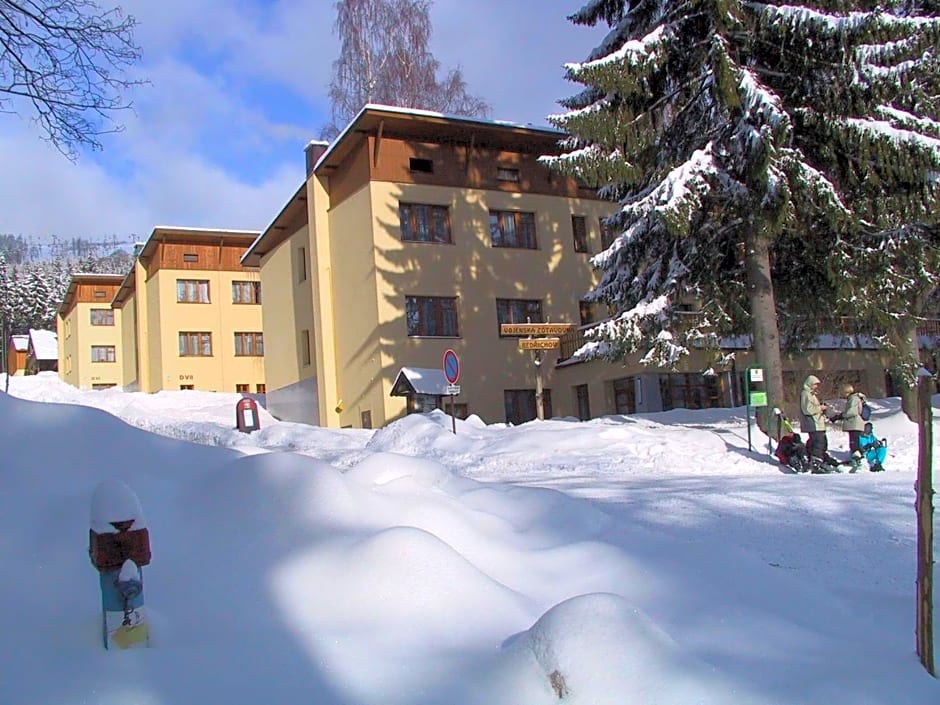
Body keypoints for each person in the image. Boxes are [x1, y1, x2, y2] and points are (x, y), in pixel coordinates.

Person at [799, 374, 839, 472]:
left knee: (821, 442)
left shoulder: (811, 394)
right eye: (815, 384)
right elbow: (807, 409)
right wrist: (820, 408)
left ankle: (820, 460)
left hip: (818, 422)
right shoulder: (806, 394)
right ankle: (816, 463)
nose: (816, 387)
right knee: (818, 443)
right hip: (813, 423)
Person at [833, 383, 867, 455]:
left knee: (854, 444)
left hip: (854, 424)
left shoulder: (853, 398)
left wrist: (841, 416)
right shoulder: (854, 398)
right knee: (855, 443)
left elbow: (851, 411)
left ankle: (857, 458)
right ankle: (857, 457)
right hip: (855, 424)